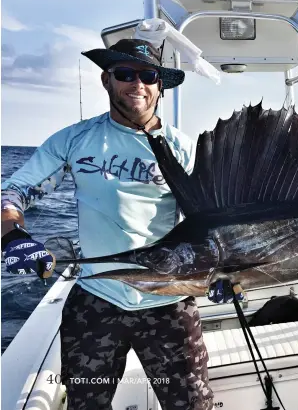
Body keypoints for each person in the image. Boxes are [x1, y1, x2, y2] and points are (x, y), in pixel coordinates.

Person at [1, 38, 215, 410]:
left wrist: (224, 273)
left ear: (159, 86)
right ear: (106, 80)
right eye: (125, 74)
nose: (138, 84)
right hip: (98, 297)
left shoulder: (182, 149)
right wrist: (12, 235)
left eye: (149, 75)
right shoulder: (75, 139)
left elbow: (209, 224)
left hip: (168, 299)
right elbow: (15, 191)